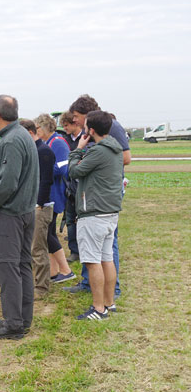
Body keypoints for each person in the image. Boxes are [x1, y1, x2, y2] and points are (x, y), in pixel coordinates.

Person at [0, 95, 39, 340]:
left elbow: (8, 183)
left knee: (7, 267)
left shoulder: (12, 141)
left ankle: (14, 324)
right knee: (23, 265)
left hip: (11, 215)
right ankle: (23, 319)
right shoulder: (22, 135)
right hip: (25, 212)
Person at [64, 94, 130, 298]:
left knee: (107, 247)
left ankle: (111, 291)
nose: (74, 121)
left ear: (87, 116)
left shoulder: (112, 128)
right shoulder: (97, 135)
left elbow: (125, 158)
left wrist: (91, 162)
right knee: (96, 250)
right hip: (96, 196)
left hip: (100, 197)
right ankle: (89, 283)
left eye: (76, 116)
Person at [34, 114, 75, 284]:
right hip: (50, 191)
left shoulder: (57, 142)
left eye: (37, 129)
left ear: (44, 128)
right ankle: (54, 270)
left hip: (55, 193)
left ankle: (66, 270)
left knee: (48, 234)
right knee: (48, 233)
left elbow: (64, 167)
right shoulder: (49, 142)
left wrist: (45, 167)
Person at [21, 118, 55, 299]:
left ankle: (41, 287)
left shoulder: (44, 151)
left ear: (30, 132)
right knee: (29, 247)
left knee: (38, 247)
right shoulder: (33, 150)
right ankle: (33, 283)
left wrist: (39, 204)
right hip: (29, 206)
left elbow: (46, 180)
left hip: (40, 207)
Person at [59, 111, 82, 262]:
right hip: (69, 184)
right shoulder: (66, 140)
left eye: (66, 125)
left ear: (75, 123)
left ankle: (83, 250)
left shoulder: (85, 139)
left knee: (80, 220)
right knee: (69, 218)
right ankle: (74, 251)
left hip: (81, 185)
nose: (64, 128)